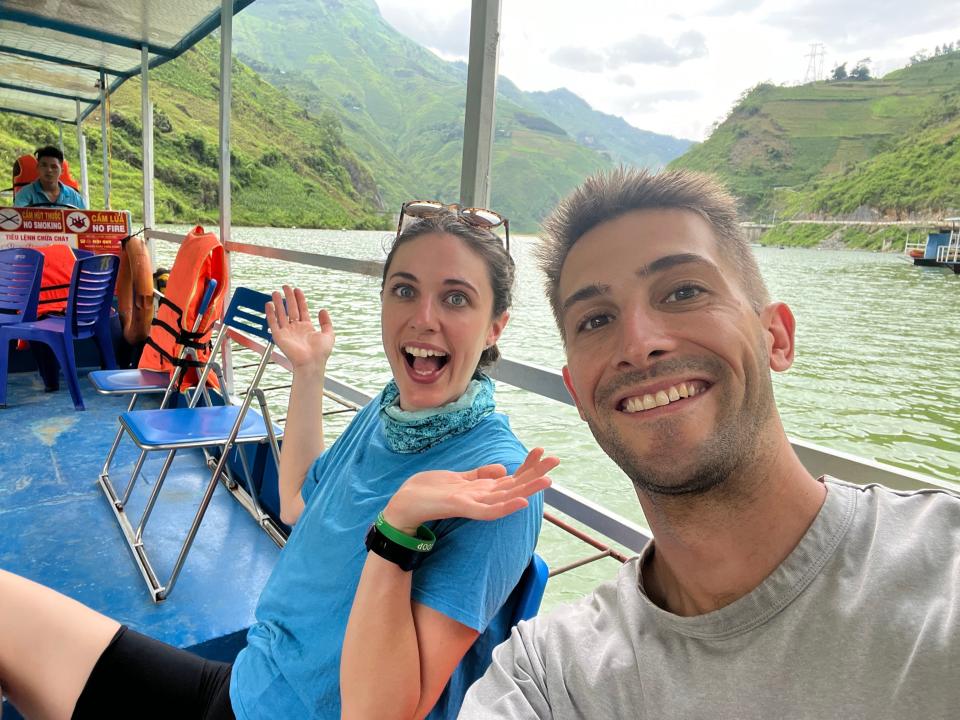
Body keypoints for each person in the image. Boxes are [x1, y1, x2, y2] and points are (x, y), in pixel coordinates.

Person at [0, 206, 558, 720]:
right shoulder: (390, 408)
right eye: (404, 290)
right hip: (248, 682)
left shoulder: (497, 485)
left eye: (456, 298)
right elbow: (296, 506)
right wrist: (309, 373)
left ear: (495, 327)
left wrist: (397, 528)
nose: (424, 318)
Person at [459, 168, 960, 719]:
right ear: (578, 393)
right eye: (597, 319)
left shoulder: (944, 574)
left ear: (777, 337)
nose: (640, 344)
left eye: (683, 291)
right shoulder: (548, 677)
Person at [13, 146, 86, 208]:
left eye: (54, 167)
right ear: (37, 168)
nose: (49, 170)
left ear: (62, 171)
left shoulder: (75, 197)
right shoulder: (24, 194)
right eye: (44, 165)